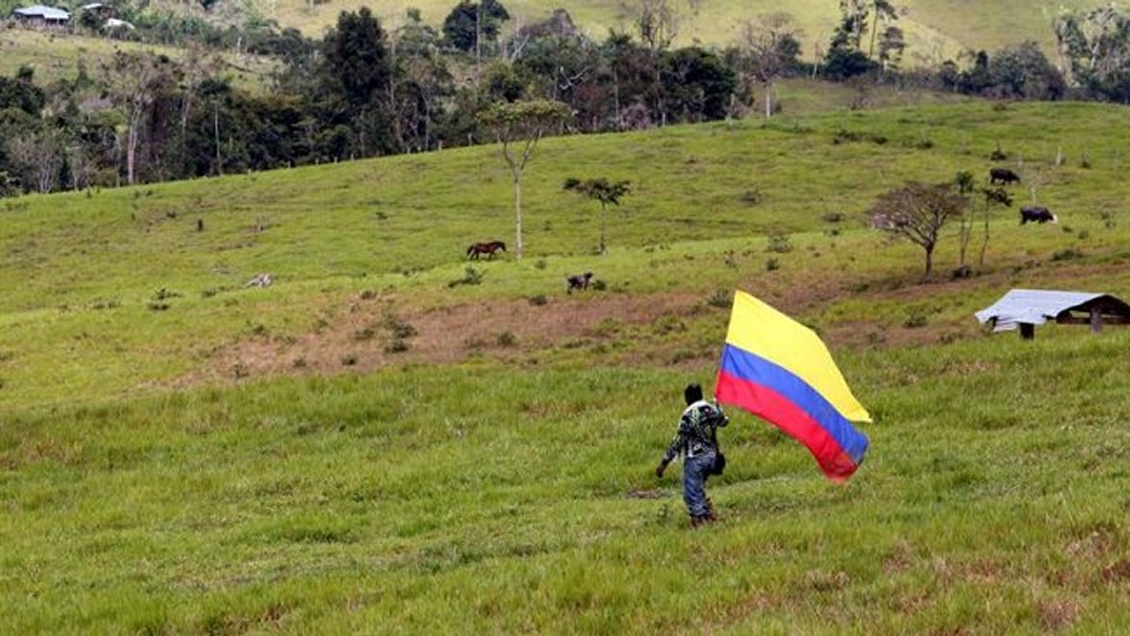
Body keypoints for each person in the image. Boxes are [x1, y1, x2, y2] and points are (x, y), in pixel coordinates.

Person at [655, 382, 729, 527]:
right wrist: (718, 405)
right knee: (698, 488)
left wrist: (663, 464)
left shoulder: (689, 415)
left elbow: (678, 441)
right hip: (713, 457)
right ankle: (709, 515)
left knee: (691, 493)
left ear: (687, 398)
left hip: (696, 458)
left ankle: (700, 522)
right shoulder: (711, 409)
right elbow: (724, 422)